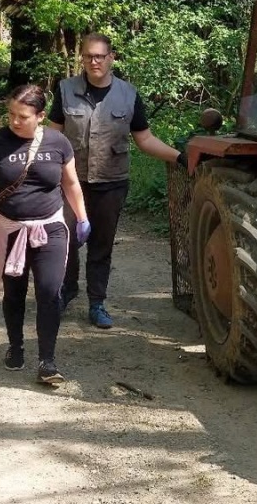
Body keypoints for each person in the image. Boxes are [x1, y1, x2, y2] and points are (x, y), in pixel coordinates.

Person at [48, 33, 185, 329]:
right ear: (81, 59)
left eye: (99, 56)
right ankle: (65, 292)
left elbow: (145, 139)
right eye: (88, 56)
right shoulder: (65, 90)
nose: (93, 61)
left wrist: (180, 157)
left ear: (111, 58)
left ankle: (97, 302)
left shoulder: (128, 94)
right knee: (64, 241)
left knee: (101, 245)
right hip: (71, 182)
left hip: (111, 183)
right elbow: (53, 135)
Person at [0, 84, 90, 384]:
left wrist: (82, 217)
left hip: (50, 227)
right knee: (14, 292)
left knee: (50, 291)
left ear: (40, 116)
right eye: (11, 114)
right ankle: (15, 345)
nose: (14, 121)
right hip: (9, 229)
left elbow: (71, 184)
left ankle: (47, 361)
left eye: (22, 116)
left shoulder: (58, 142)